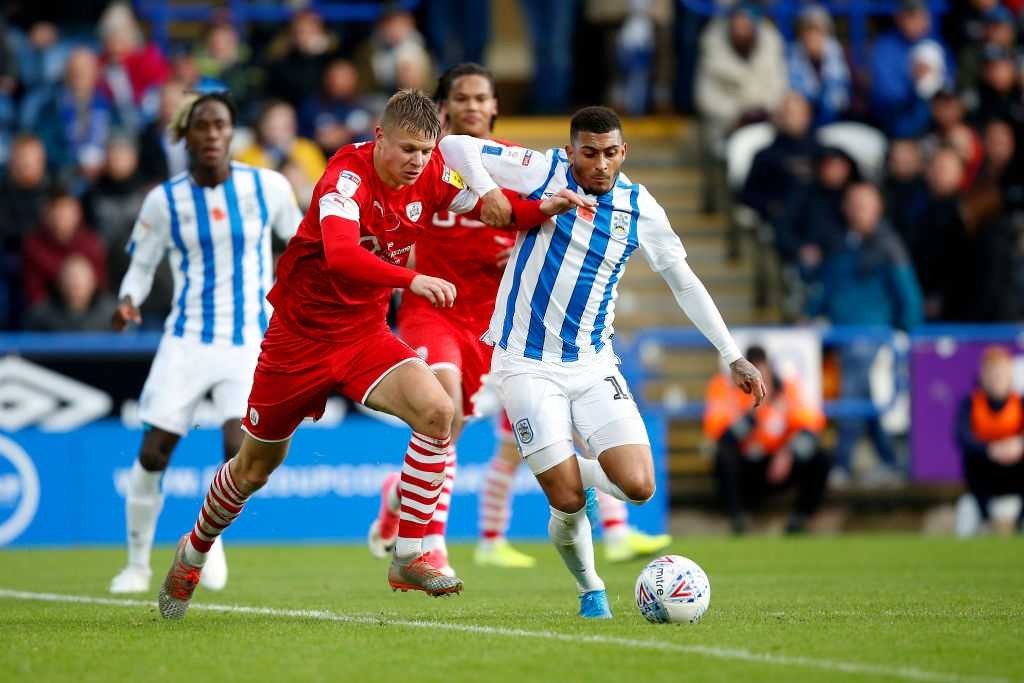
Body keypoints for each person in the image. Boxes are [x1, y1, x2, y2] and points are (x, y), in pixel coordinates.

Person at [155, 88, 591, 619]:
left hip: (364, 335)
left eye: (427, 151)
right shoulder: (346, 175)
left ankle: (408, 554)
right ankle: (193, 550)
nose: (418, 162)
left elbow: (487, 210)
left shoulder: (429, 175)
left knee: (438, 412)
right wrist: (414, 278)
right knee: (253, 470)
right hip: (299, 340)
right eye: (407, 149)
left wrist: (538, 208)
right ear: (379, 136)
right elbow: (339, 254)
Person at [438, 106, 766, 618]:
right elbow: (455, 147)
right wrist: (493, 196)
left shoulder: (641, 208)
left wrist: (732, 354)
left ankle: (581, 475)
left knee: (639, 486)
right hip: (525, 363)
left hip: (593, 364)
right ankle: (591, 589)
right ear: (571, 151)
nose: (599, 164)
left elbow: (684, 282)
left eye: (610, 153)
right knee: (566, 500)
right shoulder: (542, 170)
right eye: (588, 153)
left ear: (623, 153)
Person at [366, 64, 672, 574]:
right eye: (460, 98)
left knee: (546, 428)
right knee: (445, 413)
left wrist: (520, 252)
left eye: (481, 97)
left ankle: (398, 500)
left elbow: (551, 222)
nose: (470, 106)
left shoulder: (518, 165)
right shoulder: (428, 160)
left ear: (494, 107)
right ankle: (432, 545)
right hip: (436, 311)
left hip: (503, 325)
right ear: (443, 108)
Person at [107, 91, 303, 595]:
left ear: (232, 134)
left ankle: (205, 542)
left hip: (248, 344)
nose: (213, 135)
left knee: (241, 453)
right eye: (203, 126)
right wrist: (129, 299)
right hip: (187, 339)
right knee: (154, 452)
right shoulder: (164, 199)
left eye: (221, 126)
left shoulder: (268, 187)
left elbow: (304, 245)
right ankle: (135, 565)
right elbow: (143, 264)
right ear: (186, 135)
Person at [703, 345, 830, 534]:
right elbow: (722, 436)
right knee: (724, 455)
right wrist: (756, 413)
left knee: (822, 457)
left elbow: (811, 426)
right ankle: (737, 517)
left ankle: (800, 517)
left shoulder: (786, 388)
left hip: (778, 463)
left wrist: (789, 453)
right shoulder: (726, 388)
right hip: (745, 465)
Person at [956, 345, 1024, 535]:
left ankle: (1020, 522)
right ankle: (986, 519)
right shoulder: (971, 403)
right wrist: (991, 449)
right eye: (991, 373)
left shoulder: (1019, 403)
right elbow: (962, 437)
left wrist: (1017, 445)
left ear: (1010, 376)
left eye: (1001, 374)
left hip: (1015, 471)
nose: (996, 379)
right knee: (972, 459)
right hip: (987, 473)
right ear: (983, 376)